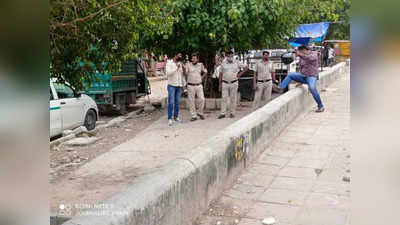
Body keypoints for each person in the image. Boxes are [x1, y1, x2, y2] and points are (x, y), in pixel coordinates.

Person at [280, 45, 325, 112]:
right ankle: (281, 88)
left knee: (312, 88)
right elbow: (301, 68)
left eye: (301, 52)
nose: (300, 53)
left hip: (311, 76)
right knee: (290, 75)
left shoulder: (314, 54)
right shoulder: (302, 57)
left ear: (304, 50)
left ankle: (320, 106)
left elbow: (309, 58)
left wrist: (300, 54)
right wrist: (300, 80)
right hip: (303, 76)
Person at [218, 50, 249, 119]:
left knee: (233, 98)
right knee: (224, 98)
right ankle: (223, 113)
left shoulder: (237, 62)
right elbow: (220, 74)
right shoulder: (223, 63)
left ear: (233, 55)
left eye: (231, 56)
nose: (230, 57)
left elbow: (246, 67)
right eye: (228, 56)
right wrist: (219, 84)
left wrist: (239, 74)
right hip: (225, 83)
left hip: (234, 82)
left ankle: (232, 113)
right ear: (226, 56)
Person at [184, 53, 207, 121]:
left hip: (199, 85)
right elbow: (185, 74)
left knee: (202, 99)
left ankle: (200, 112)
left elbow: (205, 72)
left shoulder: (200, 65)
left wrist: (201, 78)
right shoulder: (188, 65)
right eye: (192, 58)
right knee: (191, 101)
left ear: (197, 59)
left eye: (195, 58)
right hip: (190, 85)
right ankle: (193, 115)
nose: (193, 60)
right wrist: (184, 68)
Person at [166, 53, 185, 126]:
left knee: (177, 102)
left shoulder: (180, 63)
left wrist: (183, 85)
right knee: (171, 102)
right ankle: (170, 118)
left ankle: (176, 117)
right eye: (179, 55)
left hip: (179, 85)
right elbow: (168, 73)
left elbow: (181, 75)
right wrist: (176, 67)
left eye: (181, 55)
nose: (180, 57)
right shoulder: (169, 63)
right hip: (172, 85)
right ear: (175, 55)